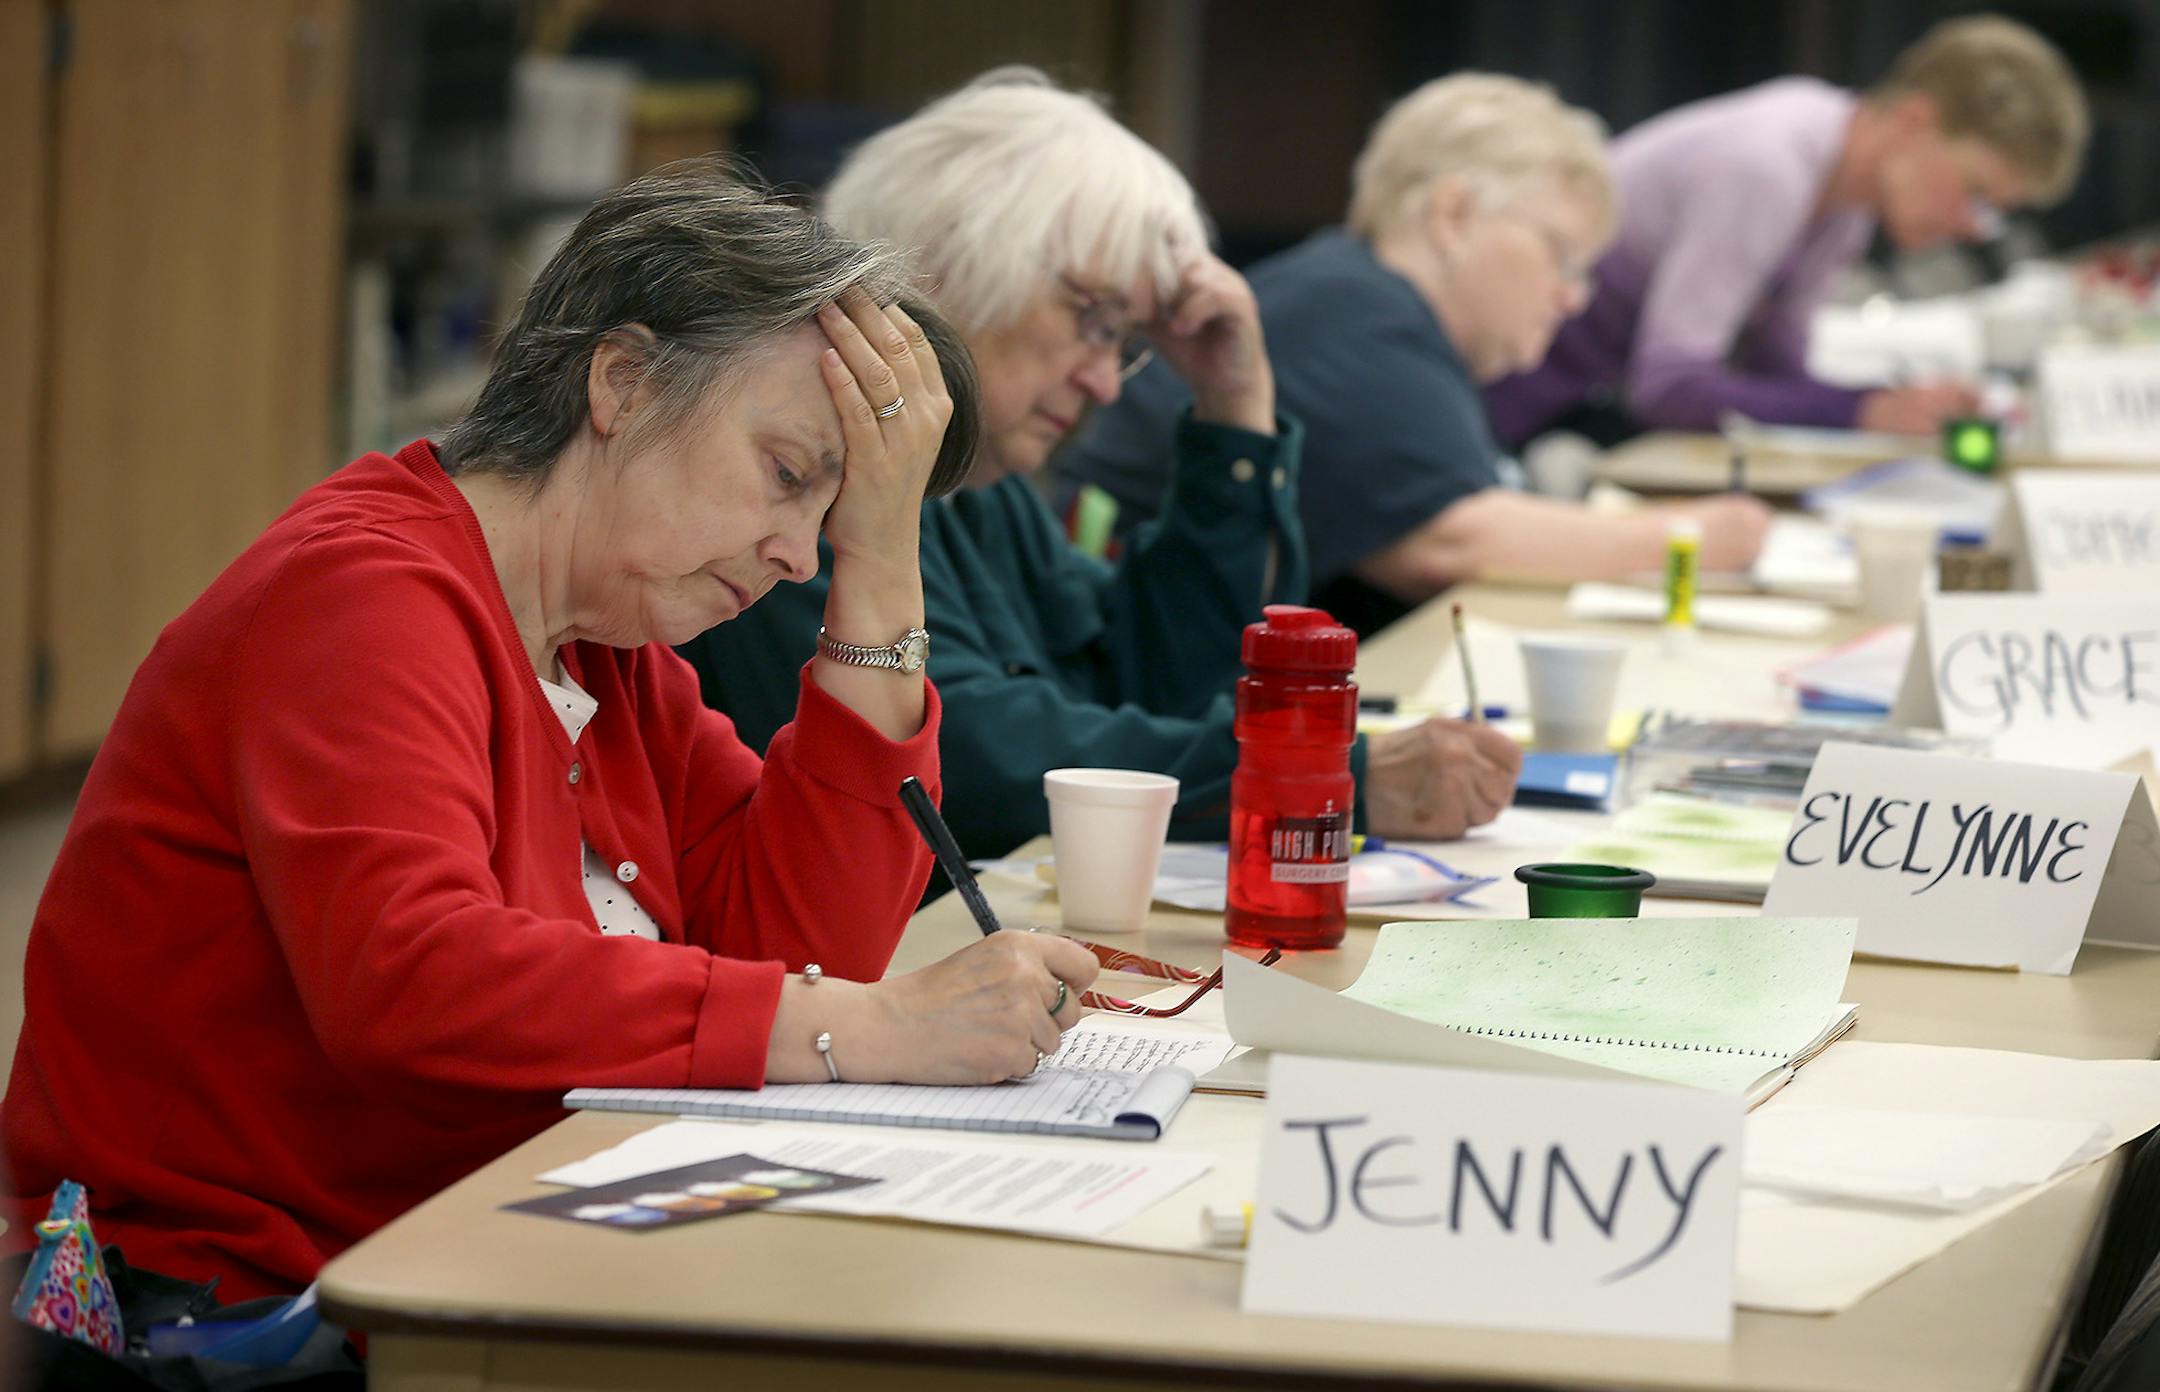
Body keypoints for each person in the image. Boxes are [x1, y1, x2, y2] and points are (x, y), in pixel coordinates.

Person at [1, 161, 1104, 1302]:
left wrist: (879, 564)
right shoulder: (360, 596)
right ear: (620, 383)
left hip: (473, 1252)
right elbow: (415, 980)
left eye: (825, 513)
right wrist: (864, 1029)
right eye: (784, 476)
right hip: (230, 1310)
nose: (795, 554)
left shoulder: (610, 653)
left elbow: (801, 945)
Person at [679, 69, 1520, 863]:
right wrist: (1316, 773)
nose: (1107, 381)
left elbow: (1156, 680)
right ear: (952, 262)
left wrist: (1236, 411)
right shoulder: (810, 463)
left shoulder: (978, 480)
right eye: (1093, 320)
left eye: (1127, 341)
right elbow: (975, 767)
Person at [1057, 74, 1772, 637]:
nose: (1573, 297)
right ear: (1452, 216)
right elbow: (1453, 542)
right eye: (1563, 256)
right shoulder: (1354, 317)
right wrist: (1695, 538)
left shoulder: (1363, 303)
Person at [1483, 13, 2089, 451]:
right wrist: (1867, 410)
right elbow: (1669, 387)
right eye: (1975, 192)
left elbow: (1776, 370)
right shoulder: (1768, 164)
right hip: (1501, 396)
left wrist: (1897, 405)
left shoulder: (1846, 196)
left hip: (1553, 403)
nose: (1970, 225)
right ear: (1914, 121)